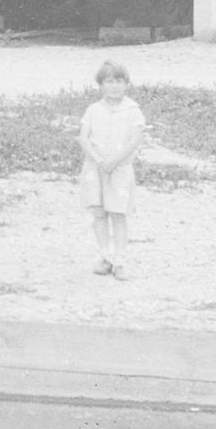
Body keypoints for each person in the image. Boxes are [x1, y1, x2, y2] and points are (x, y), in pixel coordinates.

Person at [77, 58, 145, 277]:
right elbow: (84, 138)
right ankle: (105, 256)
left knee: (118, 213)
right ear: (101, 84)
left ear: (126, 84)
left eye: (119, 81)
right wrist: (97, 159)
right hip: (94, 168)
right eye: (109, 81)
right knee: (98, 214)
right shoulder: (93, 110)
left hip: (119, 169)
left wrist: (114, 161)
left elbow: (134, 140)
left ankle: (120, 261)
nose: (114, 86)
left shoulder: (133, 111)